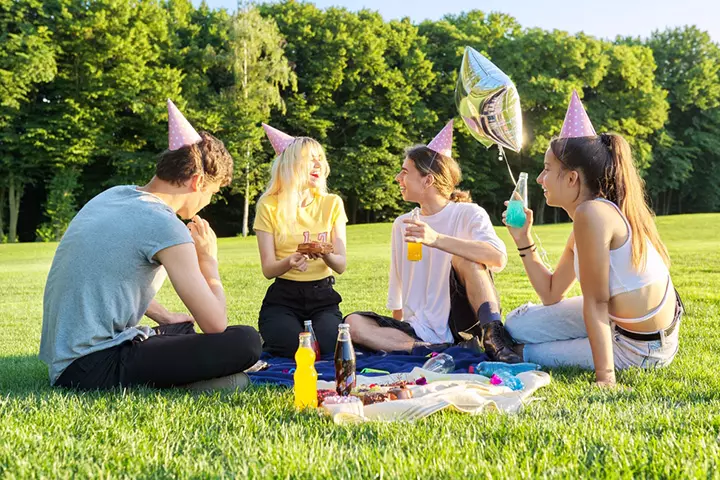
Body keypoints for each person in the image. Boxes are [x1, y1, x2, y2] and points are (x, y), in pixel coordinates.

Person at [39, 99, 262, 391]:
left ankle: (193, 377)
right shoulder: (165, 224)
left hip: (65, 358)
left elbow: (111, 276)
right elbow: (215, 324)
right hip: (92, 366)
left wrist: (164, 316)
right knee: (245, 341)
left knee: (179, 326)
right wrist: (208, 262)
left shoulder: (114, 195)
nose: (208, 202)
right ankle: (190, 384)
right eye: (213, 192)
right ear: (197, 182)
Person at [503, 91, 682, 387]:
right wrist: (523, 238)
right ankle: (588, 338)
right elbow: (550, 293)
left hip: (640, 349)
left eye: (547, 170)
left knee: (522, 351)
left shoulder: (592, 215)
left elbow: (596, 303)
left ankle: (593, 351)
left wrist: (605, 378)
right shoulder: (594, 216)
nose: (539, 179)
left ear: (572, 178)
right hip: (625, 325)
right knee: (516, 324)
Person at [345, 121, 521, 363]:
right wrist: (394, 327)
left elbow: (497, 257)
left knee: (466, 259)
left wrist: (436, 239)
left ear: (428, 180)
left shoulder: (468, 213)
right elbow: (398, 285)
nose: (398, 178)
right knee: (352, 323)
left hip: (461, 322)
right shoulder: (402, 223)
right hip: (419, 328)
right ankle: (425, 349)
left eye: (405, 172)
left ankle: (493, 338)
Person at [253, 124, 348, 358]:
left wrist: (325, 253)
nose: (319, 165)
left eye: (320, 159)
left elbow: (341, 265)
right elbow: (268, 269)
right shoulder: (268, 206)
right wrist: (290, 262)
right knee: (292, 349)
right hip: (284, 298)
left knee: (329, 347)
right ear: (291, 165)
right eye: (310, 159)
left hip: (323, 296)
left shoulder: (332, 203)